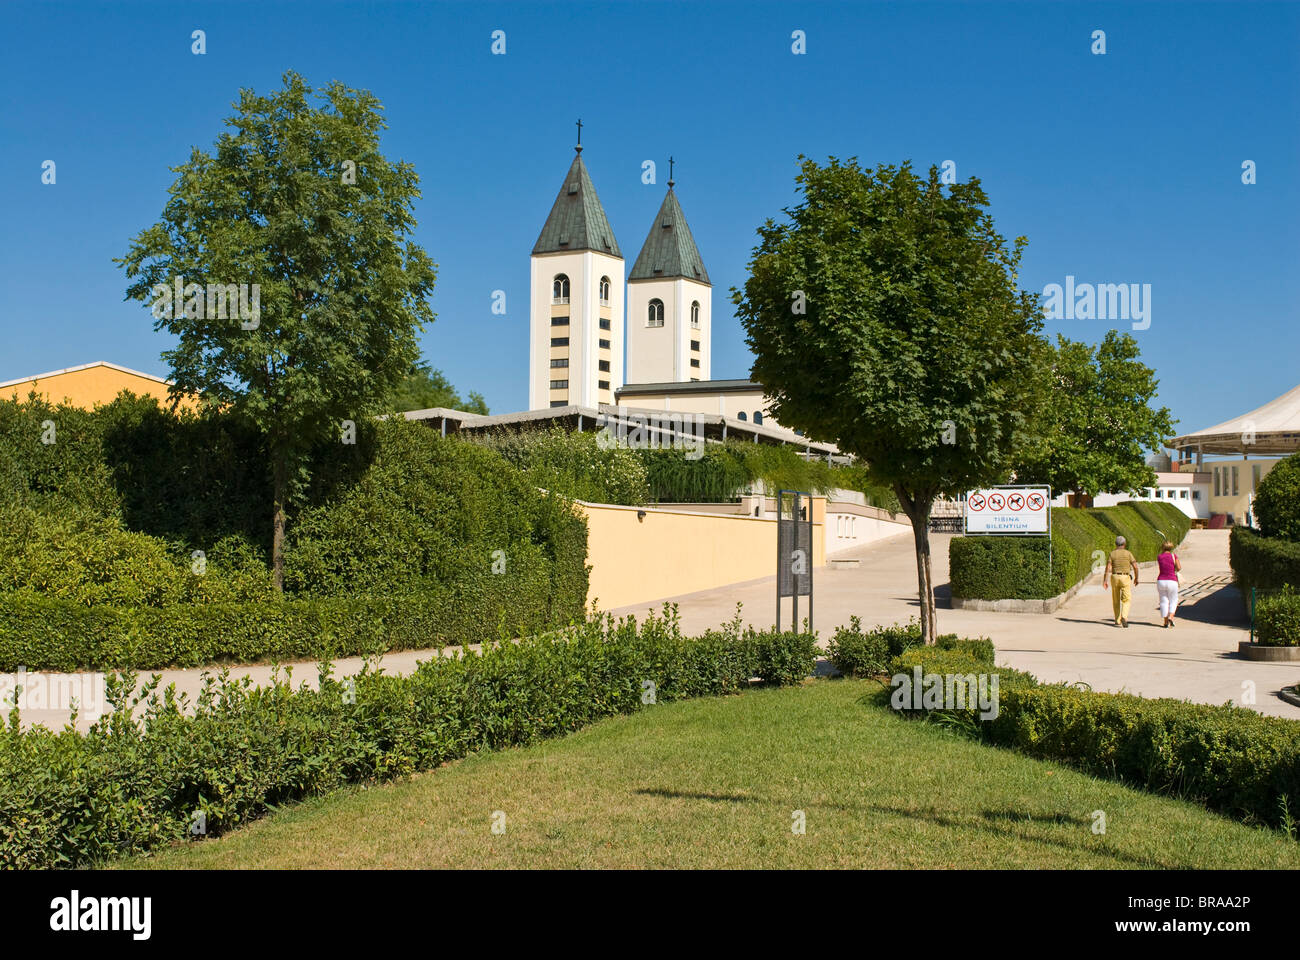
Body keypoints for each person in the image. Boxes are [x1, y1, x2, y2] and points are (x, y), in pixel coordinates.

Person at [1102, 535, 1139, 627]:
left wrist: (1105, 580)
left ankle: (1117, 620)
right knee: (1126, 599)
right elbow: (1135, 566)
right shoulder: (1128, 553)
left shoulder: (1112, 554)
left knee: (1115, 599)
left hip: (1114, 577)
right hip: (1125, 577)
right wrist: (1136, 578)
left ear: (1116, 544)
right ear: (1125, 544)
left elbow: (1108, 567)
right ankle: (1124, 616)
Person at [1156, 540, 1181, 628]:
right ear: (1171, 548)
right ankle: (1171, 617)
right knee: (1173, 600)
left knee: (1163, 601)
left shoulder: (1159, 557)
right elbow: (1179, 568)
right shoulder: (1174, 556)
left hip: (1161, 580)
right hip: (1172, 580)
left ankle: (1165, 622)